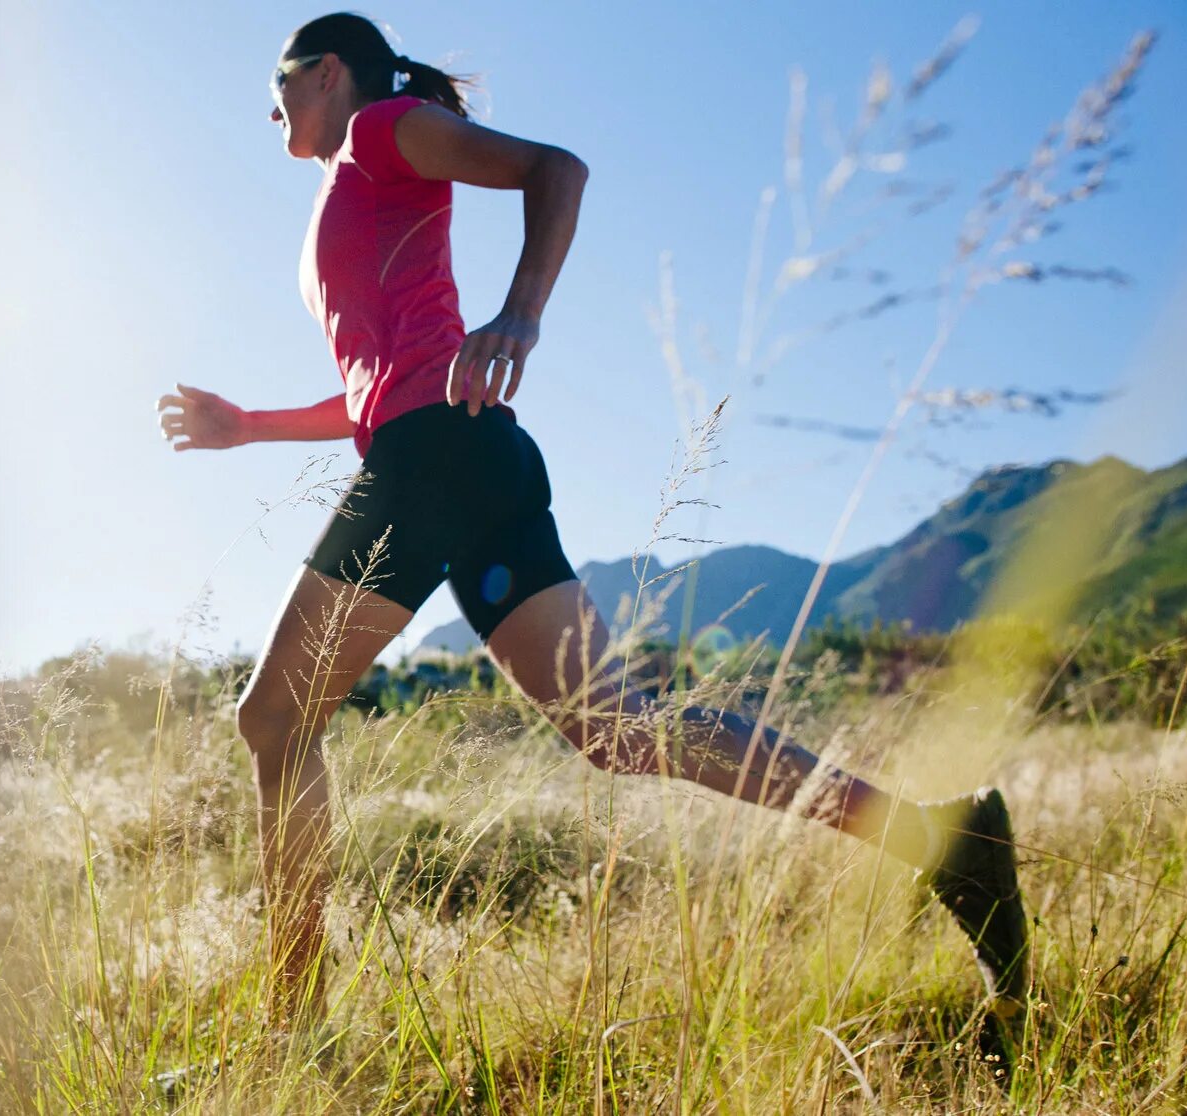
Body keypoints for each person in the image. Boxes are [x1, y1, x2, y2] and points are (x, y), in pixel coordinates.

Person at [155, 11, 1027, 1052]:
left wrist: (520, 312)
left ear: (328, 70)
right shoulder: (350, 186)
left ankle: (290, 1037)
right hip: (461, 454)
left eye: (280, 83)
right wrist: (248, 426)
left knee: (273, 723)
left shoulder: (385, 127)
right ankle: (941, 839)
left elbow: (553, 170)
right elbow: (370, 391)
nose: (271, 108)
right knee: (619, 730)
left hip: (438, 456)